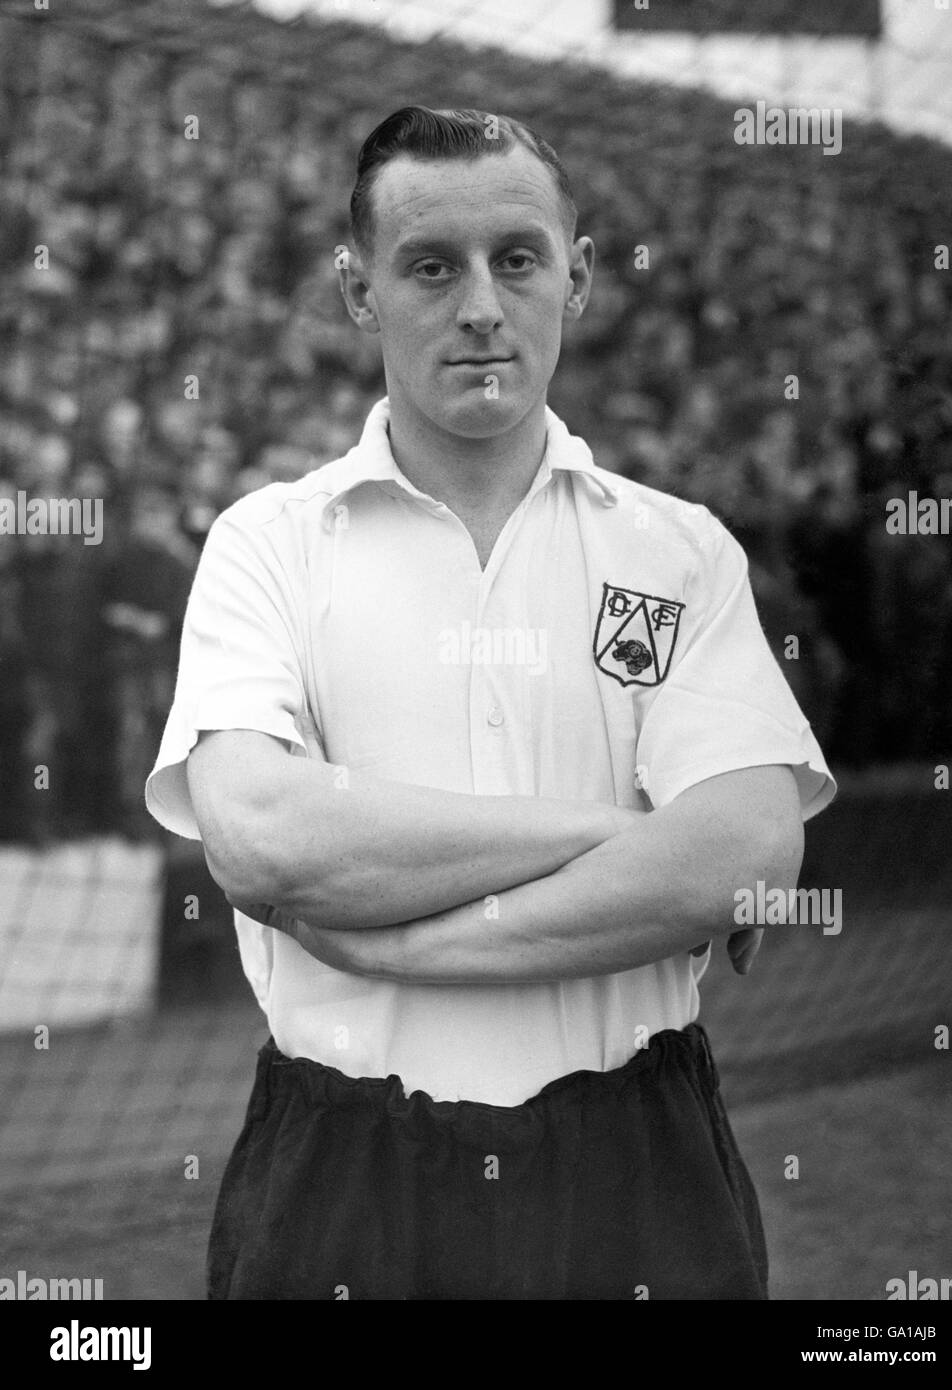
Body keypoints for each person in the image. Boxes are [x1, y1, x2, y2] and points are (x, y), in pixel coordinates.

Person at [146, 106, 836, 1300]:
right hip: (339, 1167)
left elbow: (743, 851)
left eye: (514, 259)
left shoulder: (680, 551)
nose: (478, 305)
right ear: (359, 293)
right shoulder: (266, 543)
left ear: (574, 274)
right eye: (429, 265)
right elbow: (261, 839)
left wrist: (400, 940)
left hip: (637, 1159)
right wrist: (622, 835)